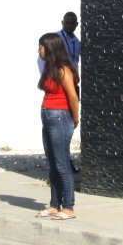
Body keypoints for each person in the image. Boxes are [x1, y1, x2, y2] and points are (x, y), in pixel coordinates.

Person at [37, 32, 79, 220]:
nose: (39, 50)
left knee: (62, 163)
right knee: (53, 162)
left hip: (60, 117)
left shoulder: (63, 70)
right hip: (48, 116)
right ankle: (55, 204)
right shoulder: (49, 68)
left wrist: (75, 119)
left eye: (41, 47)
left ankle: (68, 207)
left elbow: (73, 97)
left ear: (50, 48)